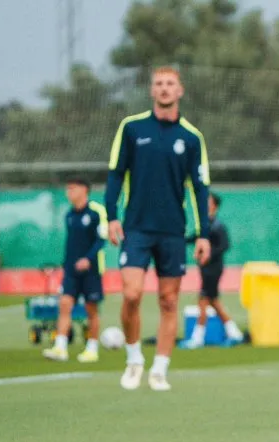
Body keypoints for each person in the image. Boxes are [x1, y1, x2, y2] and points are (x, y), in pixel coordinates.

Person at [105, 66, 212, 392]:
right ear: (152, 91)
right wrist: (111, 215)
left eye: (170, 84)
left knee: (169, 301)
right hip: (136, 228)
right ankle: (134, 358)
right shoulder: (132, 128)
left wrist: (203, 232)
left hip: (172, 231)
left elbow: (200, 187)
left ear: (180, 91)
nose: (164, 89)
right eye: (159, 84)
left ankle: (160, 369)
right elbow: (115, 174)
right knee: (132, 294)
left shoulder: (192, 138)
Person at [42, 178, 107, 363]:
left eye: (72, 188)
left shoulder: (96, 212)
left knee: (91, 309)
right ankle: (60, 347)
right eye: (67, 188)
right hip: (71, 270)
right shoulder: (69, 214)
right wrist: (65, 264)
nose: (68, 192)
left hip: (92, 270)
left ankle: (92, 348)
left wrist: (88, 258)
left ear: (84, 189)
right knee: (65, 304)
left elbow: (101, 240)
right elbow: (71, 243)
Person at [181, 192, 244, 348]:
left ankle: (198, 337)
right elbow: (193, 238)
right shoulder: (205, 225)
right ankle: (235, 333)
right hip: (205, 268)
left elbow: (225, 245)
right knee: (213, 302)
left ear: (214, 206)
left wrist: (209, 254)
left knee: (203, 300)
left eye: (208, 201)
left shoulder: (217, 226)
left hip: (213, 269)